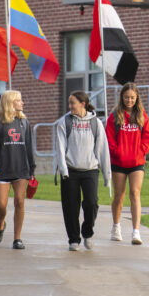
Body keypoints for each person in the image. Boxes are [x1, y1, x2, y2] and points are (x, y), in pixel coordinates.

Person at [53, 90, 110, 251]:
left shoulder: (96, 123)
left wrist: (107, 175)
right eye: (69, 103)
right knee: (71, 207)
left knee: (91, 203)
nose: (70, 106)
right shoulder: (65, 122)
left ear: (82, 104)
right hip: (70, 171)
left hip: (90, 170)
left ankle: (88, 232)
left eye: (73, 103)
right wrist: (64, 170)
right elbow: (60, 148)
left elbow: (103, 150)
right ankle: (74, 239)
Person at [0, 90, 34, 250]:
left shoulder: (25, 122)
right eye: (19, 100)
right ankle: (1, 224)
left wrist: (32, 168)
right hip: (3, 168)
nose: (22, 103)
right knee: (1, 205)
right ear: (10, 103)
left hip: (21, 168)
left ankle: (17, 238)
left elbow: (29, 147)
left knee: (20, 201)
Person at [106, 82, 149, 245]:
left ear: (137, 97)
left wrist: (142, 150)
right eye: (127, 97)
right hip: (119, 161)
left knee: (135, 193)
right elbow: (109, 139)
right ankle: (116, 227)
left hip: (137, 161)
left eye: (132, 97)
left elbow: (148, 137)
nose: (129, 100)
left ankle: (136, 232)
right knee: (119, 195)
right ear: (122, 97)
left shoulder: (142, 116)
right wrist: (116, 152)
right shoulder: (114, 116)